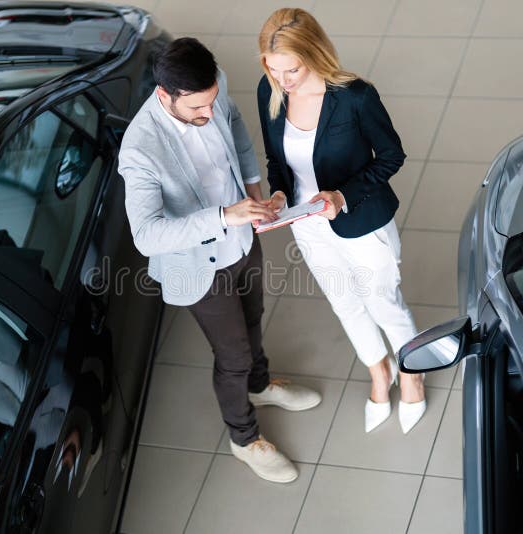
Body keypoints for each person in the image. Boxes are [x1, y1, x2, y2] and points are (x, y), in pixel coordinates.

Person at [118, 37, 321, 483]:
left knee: (254, 317)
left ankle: (261, 384)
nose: (208, 115)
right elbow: (147, 235)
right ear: (164, 95)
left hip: (244, 236)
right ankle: (244, 439)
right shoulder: (140, 150)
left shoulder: (213, 88)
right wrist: (224, 216)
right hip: (199, 267)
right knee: (232, 354)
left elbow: (233, 126)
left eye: (211, 102)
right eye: (196, 110)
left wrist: (253, 192)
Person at [256, 8, 426, 434]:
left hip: (360, 220)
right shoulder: (270, 91)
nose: (283, 79)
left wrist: (341, 195)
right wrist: (278, 193)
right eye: (273, 69)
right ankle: (379, 372)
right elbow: (277, 160)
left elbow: (392, 156)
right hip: (306, 223)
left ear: (313, 53)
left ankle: (411, 372)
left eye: (291, 68)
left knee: (382, 301)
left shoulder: (354, 97)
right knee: (344, 301)